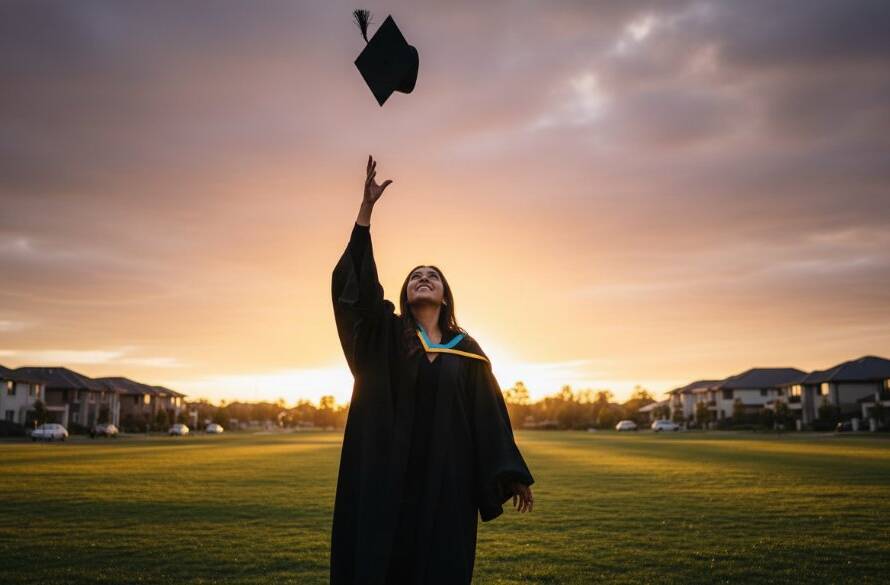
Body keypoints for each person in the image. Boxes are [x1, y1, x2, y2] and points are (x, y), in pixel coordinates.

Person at [330, 156, 535, 585]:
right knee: (385, 563)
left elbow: (490, 416)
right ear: (406, 293)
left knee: (440, 565)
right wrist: (366, 213)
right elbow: (358, 297)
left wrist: (511, 473)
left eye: (433, 276)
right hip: (388, 478)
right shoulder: (385, 336)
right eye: (415, 276)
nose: (423, 279)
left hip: (448, 482)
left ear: (444, 296)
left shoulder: (468, 352)